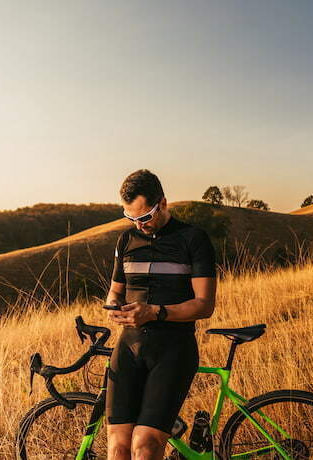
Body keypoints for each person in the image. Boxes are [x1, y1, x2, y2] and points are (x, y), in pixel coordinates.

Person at [105, 169, 217, 460]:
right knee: (117, 446)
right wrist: (114, 309)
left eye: (145, 217)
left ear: (163, 203)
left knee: (144, 446)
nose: (139, 225)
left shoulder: (193, 239)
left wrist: (155, 312)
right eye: (131, 218)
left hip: (173, 348)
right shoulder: (126, 241)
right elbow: (114, 292)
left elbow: (204, 304)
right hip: (128, 346)